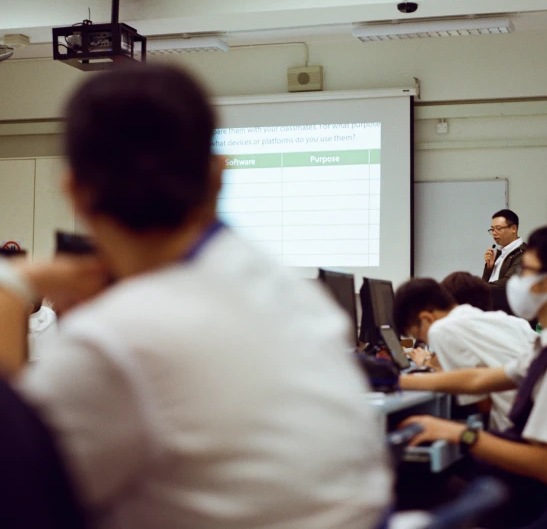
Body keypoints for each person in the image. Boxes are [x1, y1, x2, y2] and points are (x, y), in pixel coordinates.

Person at [0, 65, 391, 529]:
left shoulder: (115, 339)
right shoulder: (283, 287)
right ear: (219, 174)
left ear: (74, 191)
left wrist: (12, 286)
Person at [399, 224, 547, 527]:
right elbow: (479, 379)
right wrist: (402, 381)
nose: (517, 282)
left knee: (402, 483)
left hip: (524, 498)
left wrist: (459, 434)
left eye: (526, 270)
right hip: (519, 485)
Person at [393, 277, 535, 431]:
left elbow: (483, 405)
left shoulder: (440, 329)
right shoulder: (508, 320)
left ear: (426, 318)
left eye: (419, 337)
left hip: (515, 430)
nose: (424, 342)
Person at [482, 209, 527, 314]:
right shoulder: (500, 253)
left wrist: (476, 287)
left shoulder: (523, 253)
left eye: (498, 228)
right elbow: (487, 283)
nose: (494, 233)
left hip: (509, 312)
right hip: (494, 309)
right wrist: (489, 268)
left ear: (513, 228)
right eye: (492, 229)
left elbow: (507, 283)